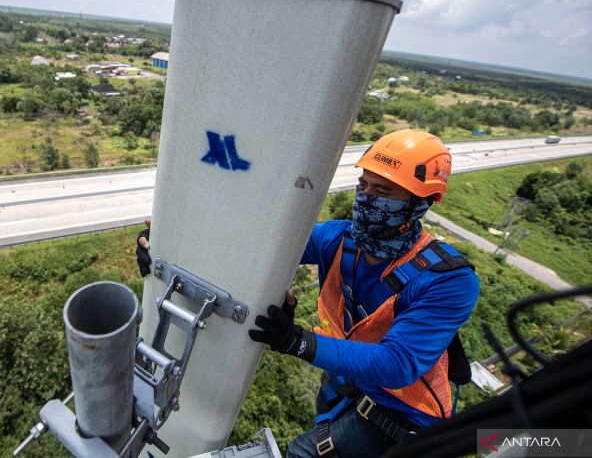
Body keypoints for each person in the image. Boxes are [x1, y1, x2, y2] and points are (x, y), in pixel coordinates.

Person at [136, 129, 480, 458]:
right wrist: (170, 243)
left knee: (302, 453)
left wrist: (298, 342)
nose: (368, 197)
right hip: (346, 386)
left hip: (399, 413)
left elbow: (398, 364)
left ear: (422, 201)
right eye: (364, 185)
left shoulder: (447, 280)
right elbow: (250, 246)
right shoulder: (339, 241)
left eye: (385, 191)